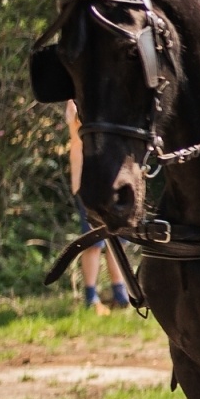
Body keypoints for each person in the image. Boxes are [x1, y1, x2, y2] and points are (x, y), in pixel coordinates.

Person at [65, 100, 128, 311]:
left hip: (114, 179)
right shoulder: (75, 106)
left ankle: (121, 294)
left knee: (119, 241)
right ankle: (91, 297)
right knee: (93, 244)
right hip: (88, 182)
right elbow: (78, 130)